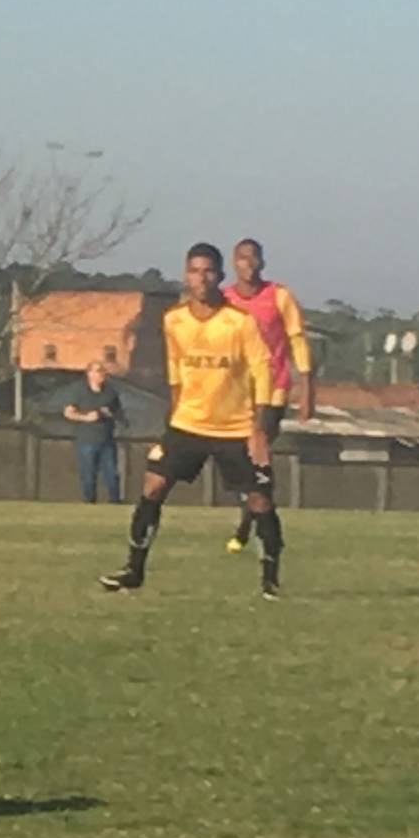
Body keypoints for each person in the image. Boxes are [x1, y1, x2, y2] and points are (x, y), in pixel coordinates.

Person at [98, 243, 281, 599]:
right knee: (152, 487)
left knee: (259, 501)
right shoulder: (173, 320)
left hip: (235, 428)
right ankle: (133, 570)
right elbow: (176, 373)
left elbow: (262, 372)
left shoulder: (239, 323)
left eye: (209, 271)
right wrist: (171, 423)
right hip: (188, 424)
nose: (202, 277)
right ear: (186, 275)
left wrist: (258, 429)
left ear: (220, 276)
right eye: (195, 270)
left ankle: (270, 581)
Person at [221, 237, 314, 555]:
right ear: (234, 264)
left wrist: (306, 384)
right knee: (241, 459)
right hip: (236, 390)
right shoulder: (224, 300)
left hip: (273, 387)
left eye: (253, 258)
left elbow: (297, 338)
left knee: (258, 452)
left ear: (262, 262)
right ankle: (254, 516)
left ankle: (248, 526)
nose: (247, 264)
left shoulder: (279, 296)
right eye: (241, 258)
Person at [64, 360, 126, 503]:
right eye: (97, 371)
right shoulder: (79, 391)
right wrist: (86, 418)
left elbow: (119, 415)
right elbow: (68, 413)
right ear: (89, 374)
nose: (101, 374)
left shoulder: (110, 393)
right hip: (87, 441)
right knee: (88, 474)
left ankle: (115, 502)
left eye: (103, 371)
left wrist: (108, 413)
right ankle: (89, 501)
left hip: (107, 441)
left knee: (111, 473)